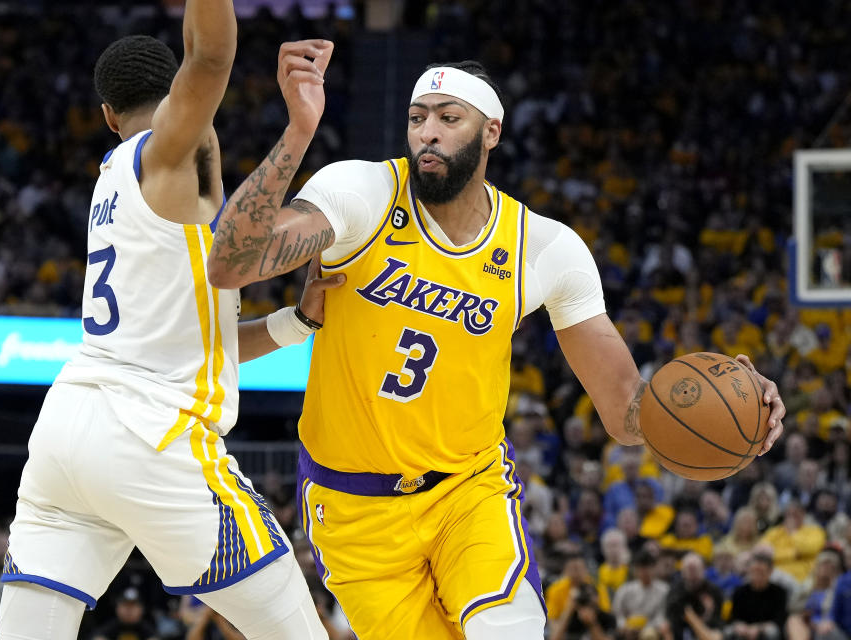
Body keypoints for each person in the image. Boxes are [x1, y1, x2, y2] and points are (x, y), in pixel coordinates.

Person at [206, 51, 787, 639]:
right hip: (352, 507)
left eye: (448, 117)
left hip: (468, 492)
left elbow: (627, 411)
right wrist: (299, 130)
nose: (427, 131)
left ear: (492, 131)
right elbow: (229, 263)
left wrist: (735, 407)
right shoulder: (363, 192)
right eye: (416, 117)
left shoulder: (544, 248)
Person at [0, 6, 337, 639]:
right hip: (153, 437)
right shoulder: (163, 158)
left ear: (105, 114)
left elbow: (196, 342)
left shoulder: (111, 188)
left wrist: (294, 324)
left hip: (63, 438)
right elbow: (208, 57)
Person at [91, 588, 158, 640]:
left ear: (141, 609)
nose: (129, 610)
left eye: (133, 606)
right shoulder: (109, 627)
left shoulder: (148, 629)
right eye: (125, 605)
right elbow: (97, 637)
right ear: (117, 608)